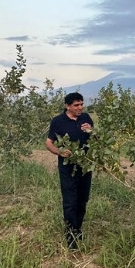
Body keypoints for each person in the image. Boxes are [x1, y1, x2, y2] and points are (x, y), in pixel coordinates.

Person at [45, 92, 94, 250]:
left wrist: (91, 131)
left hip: (85, 166)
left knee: (82, 200)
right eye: (76, 105)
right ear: (67, 106)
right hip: (67, 168)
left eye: (81, 104)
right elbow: (49, 143)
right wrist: (59, 152)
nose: (80, 107)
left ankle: (77, 230)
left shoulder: (86, 118)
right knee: (70, 201)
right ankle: (70, 236)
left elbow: (96, 140)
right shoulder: (58, 121)